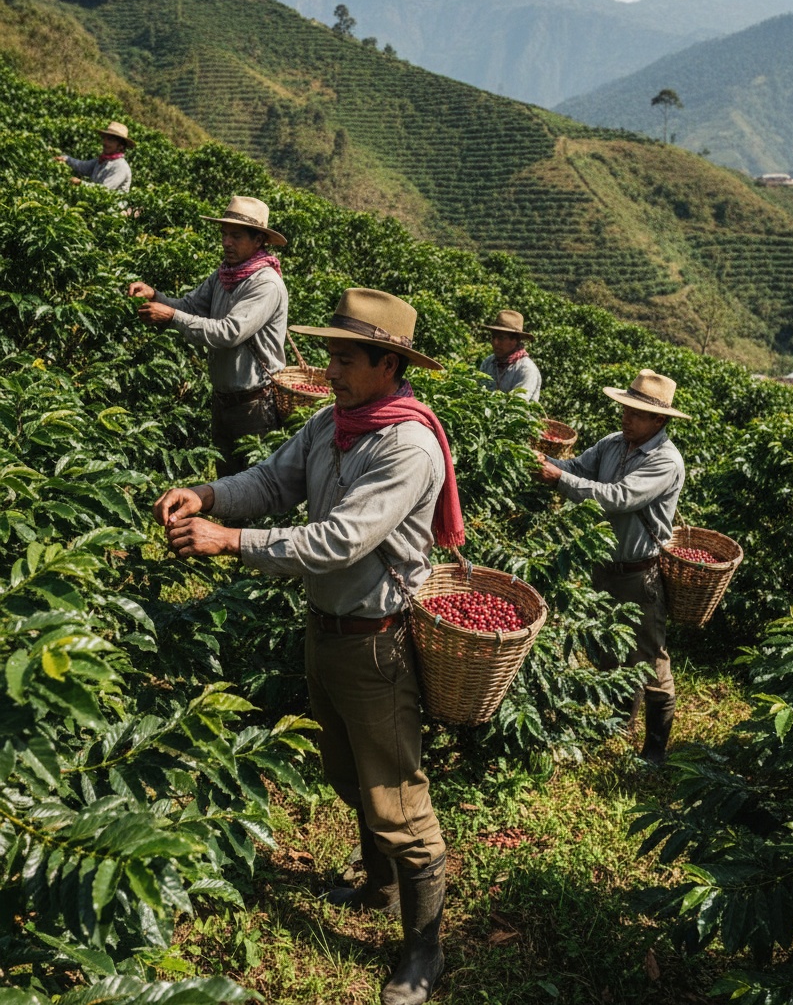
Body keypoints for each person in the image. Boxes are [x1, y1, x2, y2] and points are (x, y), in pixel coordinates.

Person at [153, 287, 464, 1005]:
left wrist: (230, 541)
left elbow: (340, 539)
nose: (331, 370)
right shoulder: (333, 422)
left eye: (347, 359)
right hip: (325, 631)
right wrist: (209, 494)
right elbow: (274, 480)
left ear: (389, 366)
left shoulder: (407, 446)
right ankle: (379, 886)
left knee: (399, 802)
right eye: (331, 355)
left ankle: (425, 950)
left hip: (376, 645)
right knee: (347, 773)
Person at [535, 369, 690, 765]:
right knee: (610, 650)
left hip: (640, 575)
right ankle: (620, 724)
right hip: (603, 567)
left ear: (659, 420)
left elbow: (618, 498)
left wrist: (557, 479)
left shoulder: (666, 461)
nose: (626, 418)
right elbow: (578, 469)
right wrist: (544, 462)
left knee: (650, 659)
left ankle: (654, 751)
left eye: (636, 413)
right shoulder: (612, 443)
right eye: (625, 409)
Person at [129, 195, 289, 477]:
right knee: (226, 483)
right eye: (224, 234)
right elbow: (190, 306)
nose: (226, 242)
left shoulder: (265, 284)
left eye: (236, 236)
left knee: (256, 484)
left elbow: (229, 332)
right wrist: (156, 296)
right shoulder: (225, 275)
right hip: (224, 401)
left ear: (258, 241)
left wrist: (172, 316)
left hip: (255, 405)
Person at [478, 309, 541, 401]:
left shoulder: (526, 369)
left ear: (515, 341)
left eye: (501, 338)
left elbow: (517, 405)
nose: (495, 342)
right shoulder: (488, 363)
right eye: (493, 337)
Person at [55, 120, 134, 192]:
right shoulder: (102, 160)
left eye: (110, 140)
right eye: (105, 139)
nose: (105, 143)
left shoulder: (120, 167)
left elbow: (104, 190)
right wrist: (66, 159)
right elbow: (83, 167)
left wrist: (81, 183)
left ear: (120, 146)